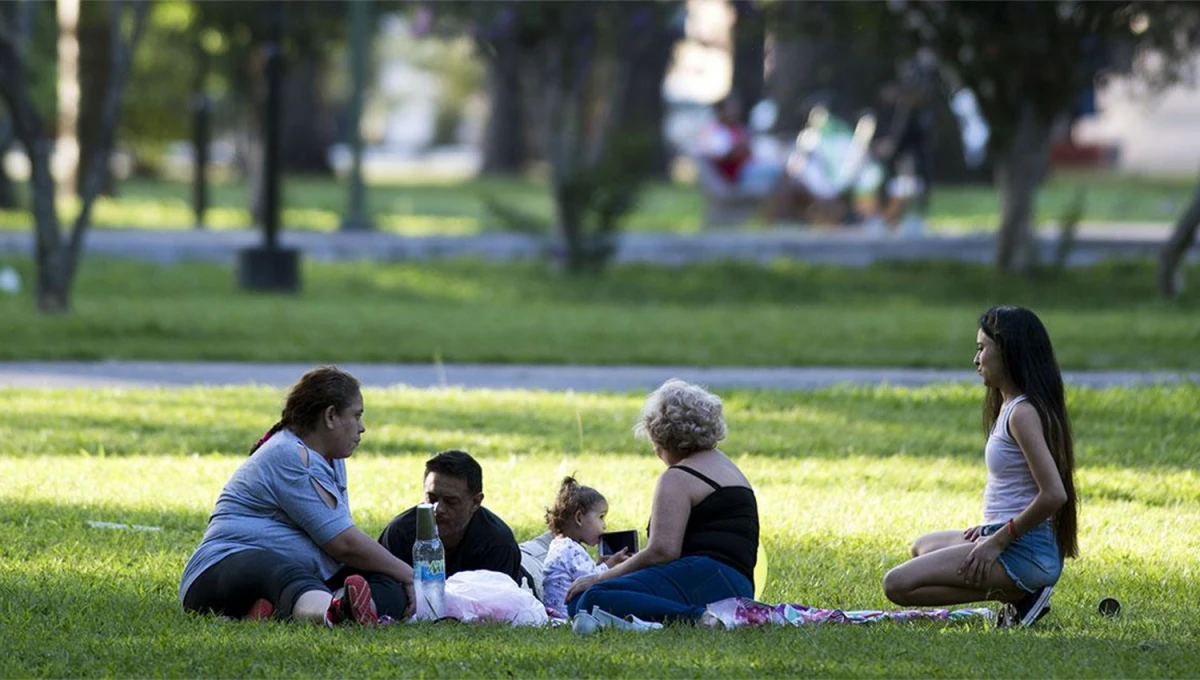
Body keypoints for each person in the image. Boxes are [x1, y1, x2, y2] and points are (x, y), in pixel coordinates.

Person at [883, 306, 1079, 627]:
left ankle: (1019, 595)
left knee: (897, 585)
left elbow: (1054, 495)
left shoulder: (1022, 413)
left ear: (1008, 352)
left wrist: (998, 540)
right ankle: (1017, 595)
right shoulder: (1009, 405)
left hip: (1024, 551)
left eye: (982, 349)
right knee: (922, 547)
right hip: (1005, 538)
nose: (976, 360)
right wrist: (990, 530)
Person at [180, 366, 413, 626]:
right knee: (284, 572)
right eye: (356, 415)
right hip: (221, 571)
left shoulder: (330, 458)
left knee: (388, 585)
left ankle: (279, 611)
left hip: (301, 576)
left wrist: (399, 578)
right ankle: (334, 611)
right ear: (330, 416)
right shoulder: (289, 454)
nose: (362, 427)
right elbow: (343, 544)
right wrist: (412, 576)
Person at [565, 380, 759, 624]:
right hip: (738, 585)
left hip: (706, 579)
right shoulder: (726, 466)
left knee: (592, 598)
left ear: (662, 438)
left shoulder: (678, 476)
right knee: (579, 601)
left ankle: (698, 619)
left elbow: (663, 551)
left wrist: (601, 576)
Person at [378, 450, 523, 584]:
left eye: (450, 501)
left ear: (475, 502)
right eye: (432, 498)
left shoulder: (498, 544)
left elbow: (500, 604)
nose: (438, 509)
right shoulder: (400, 533)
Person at [540, 476, 630, 618]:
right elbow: (591, 580)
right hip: (567, 614)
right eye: (601, 517)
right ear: (579, 518)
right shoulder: (569, 549)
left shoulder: (561, 544)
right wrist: (611, 564)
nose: (604, 525)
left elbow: (583, 575)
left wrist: (601, 564)